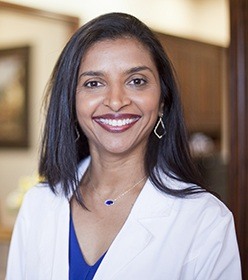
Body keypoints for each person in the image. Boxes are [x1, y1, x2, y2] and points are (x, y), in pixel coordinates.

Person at [6, 12, 241, 280]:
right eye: (94, 83)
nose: (116, 101)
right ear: (70, 101)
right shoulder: (39, 203)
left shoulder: (205, 219)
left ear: (163, 100)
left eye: (136, 81)